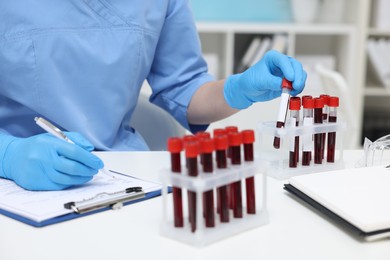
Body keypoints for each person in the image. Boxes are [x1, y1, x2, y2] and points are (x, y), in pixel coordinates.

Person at [0, 1, 306, 191]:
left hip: (119, 180)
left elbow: (183, 87)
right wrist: (9, 155)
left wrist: (237, 90)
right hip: (16, 185)